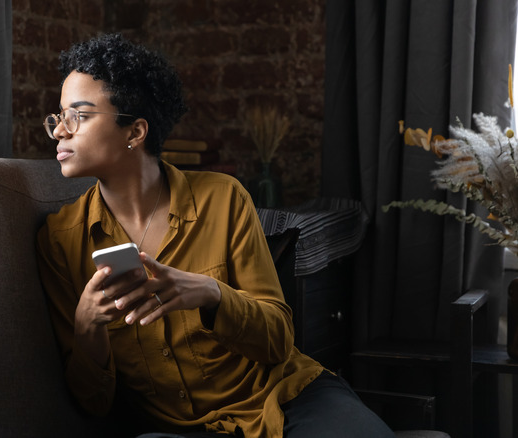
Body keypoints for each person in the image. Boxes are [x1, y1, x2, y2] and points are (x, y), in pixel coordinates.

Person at [35, 33, 393, 438]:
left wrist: (212, 293)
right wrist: (86, 326)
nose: (59, 132)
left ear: (134, 132)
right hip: (183, 429)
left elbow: (277, 341)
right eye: (58, 117)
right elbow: (93, 403)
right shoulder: (60, 239)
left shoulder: (223, 197)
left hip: (286, 398)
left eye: (78, 115)